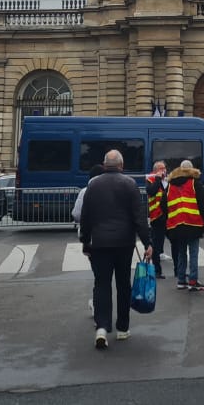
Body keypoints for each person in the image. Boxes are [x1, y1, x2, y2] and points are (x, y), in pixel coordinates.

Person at [78, 149, 152, 349]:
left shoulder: (93, 185)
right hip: (123, 243)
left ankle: (101, 327)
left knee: (102, 284)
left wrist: (85, 241)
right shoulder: (129, 184)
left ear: (104, 164)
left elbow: (86, 217)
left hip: (100, 243)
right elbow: (139, 217)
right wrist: (148, 243)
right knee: (123, 285)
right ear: (121, 164)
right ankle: (122, 328)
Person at [165, 159, 204, 292]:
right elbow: (202, 204)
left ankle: (181, 280)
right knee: (193, 253)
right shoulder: (194, 183)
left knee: (181, 252)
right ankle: (193, 280)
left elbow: (164, 205)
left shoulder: (170, 185)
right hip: (192, 222)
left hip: (176, 224)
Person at [73, 163, 106, 320]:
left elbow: (77, 214)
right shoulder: (112, 188)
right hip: (114, 238)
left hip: (92, 239)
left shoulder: (85, 192)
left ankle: (97, 306)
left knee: (99, 276)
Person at [145, 160, 168, 277]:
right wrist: (158, 179)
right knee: (157, 245)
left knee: (176, 243)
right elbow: (151, 191)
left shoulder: (166, 181)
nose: (164, 170)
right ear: (155, 171)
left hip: (168, 216)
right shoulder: (151, 179)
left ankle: (179, 271)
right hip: (157, 217)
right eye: (161, 168)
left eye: (164, 168)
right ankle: (157, 270)